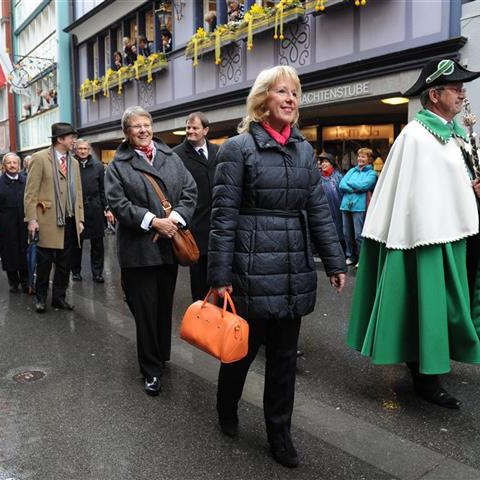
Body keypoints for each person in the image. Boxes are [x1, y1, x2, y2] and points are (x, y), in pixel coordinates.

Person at [208, 66, 346, 468]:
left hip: (293, 270)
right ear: (262, 100)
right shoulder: (238, 148)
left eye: (295, 94)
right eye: (281, 92)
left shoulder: (303, 150)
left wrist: (334, 260)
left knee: (284, 361)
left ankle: (279, 434)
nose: (290, 99)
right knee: (241, 354)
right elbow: (223, 217)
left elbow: (318, 211)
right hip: (249, 269)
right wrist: (220, 277)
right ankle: (226, 407)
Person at [347, 58, 480, 409]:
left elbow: (456, 182)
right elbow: (411, 193)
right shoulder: (416, 136)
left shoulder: (457, 134)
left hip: (456, 232)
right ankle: (426, 377)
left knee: (451, 304)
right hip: (426, 236)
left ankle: (431, 363)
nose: (462, 93)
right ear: (434, 94)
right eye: (456, 88)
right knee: (430, 306)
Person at [105, 106, 197, 396]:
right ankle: (151, 370)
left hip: (168, 248)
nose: (143, 130)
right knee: (144, 312)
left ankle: (161, 356)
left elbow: (190, 192)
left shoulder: (170, 158)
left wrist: (174, 221)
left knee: (163, 308)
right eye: (136, 126)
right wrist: (153, 222)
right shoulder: (118, 165)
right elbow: (118, 203)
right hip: (138, 252)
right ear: (126, 132)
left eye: (147, 124)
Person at [24, 122, 84, 313]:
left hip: (69, 219)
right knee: (44, 264)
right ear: (60, 139)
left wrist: (80, 219)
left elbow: (79, 192)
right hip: (46, 220)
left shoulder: (73, 162)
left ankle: (59, 298)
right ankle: (41, 298)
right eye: (71, 137)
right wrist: (31, 219)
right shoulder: (40, 158)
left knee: (65, 264)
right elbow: (30, 192)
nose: (74, 141)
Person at [173, 112, 218, 301]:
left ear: (205, 130)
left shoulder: (218, 151)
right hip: (195, 228)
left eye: (195, 128)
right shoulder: (176, 155)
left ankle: (221, 324)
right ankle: (201, 323)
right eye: (188, 128)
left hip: (218, 226)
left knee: (221, 281)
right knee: (199, 283)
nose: (190, 131)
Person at [71, 139, 109, 283]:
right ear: (75, 150)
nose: (82, 151)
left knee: (97, 244)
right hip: (77, 208)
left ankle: (97, 273)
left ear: (89, 150)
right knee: (77, 243)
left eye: (85, 149)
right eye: (80, 148)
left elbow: (102, 190)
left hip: (95, 208)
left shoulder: (98, 166)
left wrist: (106, 208)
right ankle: (75, 271)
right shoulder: (71, 165)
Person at [339, 147, 377, 267]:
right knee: (346, 233)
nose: (360, 158)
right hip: (346, 205)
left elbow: (366, 185)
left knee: (358, 235)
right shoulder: (352, 171)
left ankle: (361, 258)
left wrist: (349, 184)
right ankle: (350, 256)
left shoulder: (372, 173)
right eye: (359, 156)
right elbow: (341, 184)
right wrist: (355, 188)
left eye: (363, 156)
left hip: (359, 207)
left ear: (369, 159)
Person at [0, 153, 29, 293]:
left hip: (24, 224)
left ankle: (26, 281)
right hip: (6, 226)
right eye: (9, 163)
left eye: (15, 163)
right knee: (9, 253)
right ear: (4, 165)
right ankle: (13, 281)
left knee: (25, 252)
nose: (12, 165)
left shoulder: (26, 181)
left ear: (19, 165)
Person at [318, 152, 345, 253]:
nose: (323, 164)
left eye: (326, 162)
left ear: (332, 163)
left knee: (340, 231)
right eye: (322, 162)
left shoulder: (338, 177)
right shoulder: (318, 178)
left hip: (339, 209)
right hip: (324, 210)